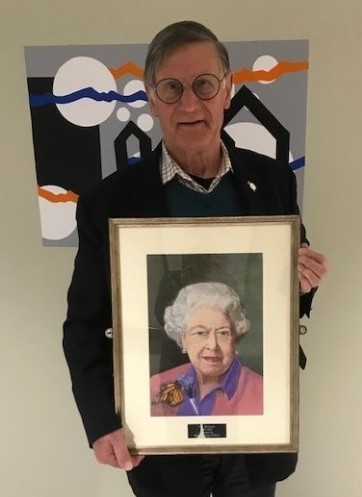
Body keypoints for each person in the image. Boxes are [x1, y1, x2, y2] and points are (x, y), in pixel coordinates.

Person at [63, 20, 328, 497]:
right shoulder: (108, 203)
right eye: (172, 87)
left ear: (227, 90)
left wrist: (304, 284)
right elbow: (83, 325)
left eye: (204, 85)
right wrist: (102, 422)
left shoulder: (272, 181)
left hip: (254, 430)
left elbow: (287, 297)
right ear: (150, 96)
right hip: (160, 429)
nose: (189, 103)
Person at [150, 281, 263, 416]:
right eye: (200, 333)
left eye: (223, 333)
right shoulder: (156, 386)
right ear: (183, 339)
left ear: (235, 338)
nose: (212, 345)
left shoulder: (263, 393)